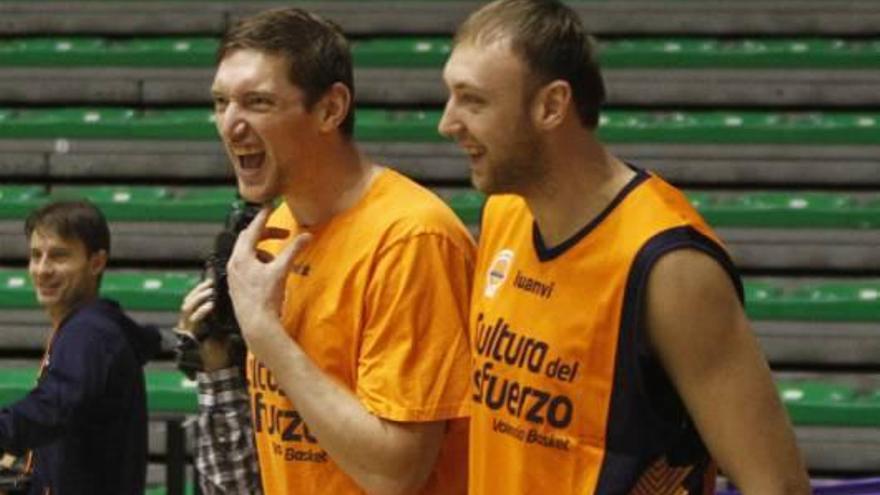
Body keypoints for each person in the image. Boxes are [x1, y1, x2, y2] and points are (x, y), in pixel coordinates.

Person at [437, 1, 812, 494]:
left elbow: (777, 486)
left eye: (473, 101)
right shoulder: (505, 214)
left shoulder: (671, 266)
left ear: (551, 106)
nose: (447, 123)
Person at [177, 6, 475, 494]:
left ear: (331, 109)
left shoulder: (412, 239)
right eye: (220, 102)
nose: (230, 125)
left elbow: (394, 473)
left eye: (257, 102)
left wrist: (267, 338)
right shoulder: (275, 225)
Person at [0, 200, 161, 494]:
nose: (42, 269)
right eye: (36, 256)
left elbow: (53, 408)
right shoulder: (83, 328)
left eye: (59, 256)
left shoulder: (90, 334)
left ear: (96, 262)